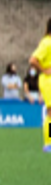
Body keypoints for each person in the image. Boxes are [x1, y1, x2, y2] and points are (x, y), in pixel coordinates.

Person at [29, 17, 51, 152]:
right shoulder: (47, 43)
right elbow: (32, 60)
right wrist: (44, 69)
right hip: (48, 80)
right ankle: (48, 144)